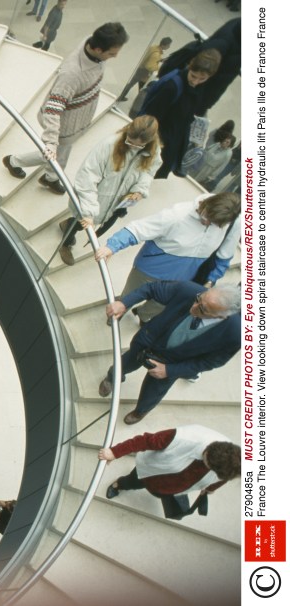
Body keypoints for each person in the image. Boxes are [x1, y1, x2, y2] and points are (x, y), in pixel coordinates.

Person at [2, 22, 128, 194]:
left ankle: (50, 177)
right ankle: (15, 161)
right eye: (112, 54)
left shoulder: (90, 45)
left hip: (74, 121)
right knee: (53, 155)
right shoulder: (72, 74)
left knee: (61, 155)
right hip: (64, 125)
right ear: (98, 49)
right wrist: (51, 142)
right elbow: (53, 108)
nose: (115, 56)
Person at [98, 281, 240, 424]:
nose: (194, 306)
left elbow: (212, 361)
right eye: (199, 299)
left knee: (153, 392)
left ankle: (140, 411)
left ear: (221, 316)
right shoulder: (189, 290)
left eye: (202, 309)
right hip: (146, 343)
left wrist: (170, 370)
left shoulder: (235, 334)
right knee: (124, 363)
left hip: (172, 363)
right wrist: (124, 303)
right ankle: (112, 378)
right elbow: (151, 288)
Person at [95, 193, 239, 322]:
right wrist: (111, 247)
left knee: (161, 305)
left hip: (181, 278)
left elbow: (224, 257)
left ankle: (144, 315)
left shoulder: (232, 224)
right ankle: (115, 317)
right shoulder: (177, 215)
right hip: (149, 271)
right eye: (205, 217)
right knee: (129, 296)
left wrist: (210, 280)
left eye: (212, 223)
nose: (206, 222)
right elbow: (138, 229)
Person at [56, 115, 161, 265]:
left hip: (117, 202)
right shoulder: (108, 146)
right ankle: (65, 244)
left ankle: (68, 225)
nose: (132, 147)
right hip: (95, 199)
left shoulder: (153, 151)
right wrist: (89, 211)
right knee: (78, 221)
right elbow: (87, 178)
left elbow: (149, 171)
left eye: (138, 146)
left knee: (99, 223)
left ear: (148, 142)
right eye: (130, 142)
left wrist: (139, 190)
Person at [98, 425, 240, 518]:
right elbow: (146, 441)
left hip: (174, 488)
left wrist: (210, 488)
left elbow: (223, 478)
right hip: (152, 473)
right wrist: (115, 452)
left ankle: (151, 489)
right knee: (133, 481)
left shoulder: (230, 464)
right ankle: (120, 484)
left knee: (164, 494)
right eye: (207, 462)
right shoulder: (185, 437)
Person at [141, 49, 221, 179]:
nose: (195, 81)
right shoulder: (172, 86)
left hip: (171, 139)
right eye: (193, 76)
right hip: (158, 141)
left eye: (202, 79)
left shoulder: (198, 87)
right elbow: (151, 117)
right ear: (190, 67)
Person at [117, 37, 172, 102]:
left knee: (132, 84)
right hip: (144, 73)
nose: (169, 47)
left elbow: (151, 58)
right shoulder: (156, 54)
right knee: (143, 89)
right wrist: (158, 67)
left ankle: (121, 96)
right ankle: (138, 103)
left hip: (141, 68)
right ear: (163, 45)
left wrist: (160, 60)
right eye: (168, 45)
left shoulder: (154, 47)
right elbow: (150, 66)